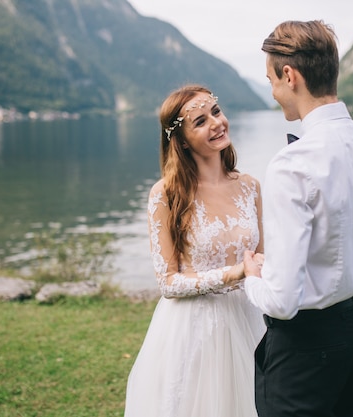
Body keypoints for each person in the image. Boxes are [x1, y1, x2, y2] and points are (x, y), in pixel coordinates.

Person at [240, 21, 353, 417]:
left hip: (305, 350)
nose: (274, 92)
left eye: (271, 80)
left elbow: (283, 301)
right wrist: (350, 264)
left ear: (289, 76)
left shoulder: (292, 166)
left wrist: (251, 276)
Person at [123, 84, 266, 417]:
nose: (216, 123)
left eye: (215, 112)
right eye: (200, 121)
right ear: (182, 140)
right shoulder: (166, 194)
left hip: (249, 320)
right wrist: (234, 273)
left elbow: (261, 259)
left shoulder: (250, 187)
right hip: (194, 330)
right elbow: (168, 283)